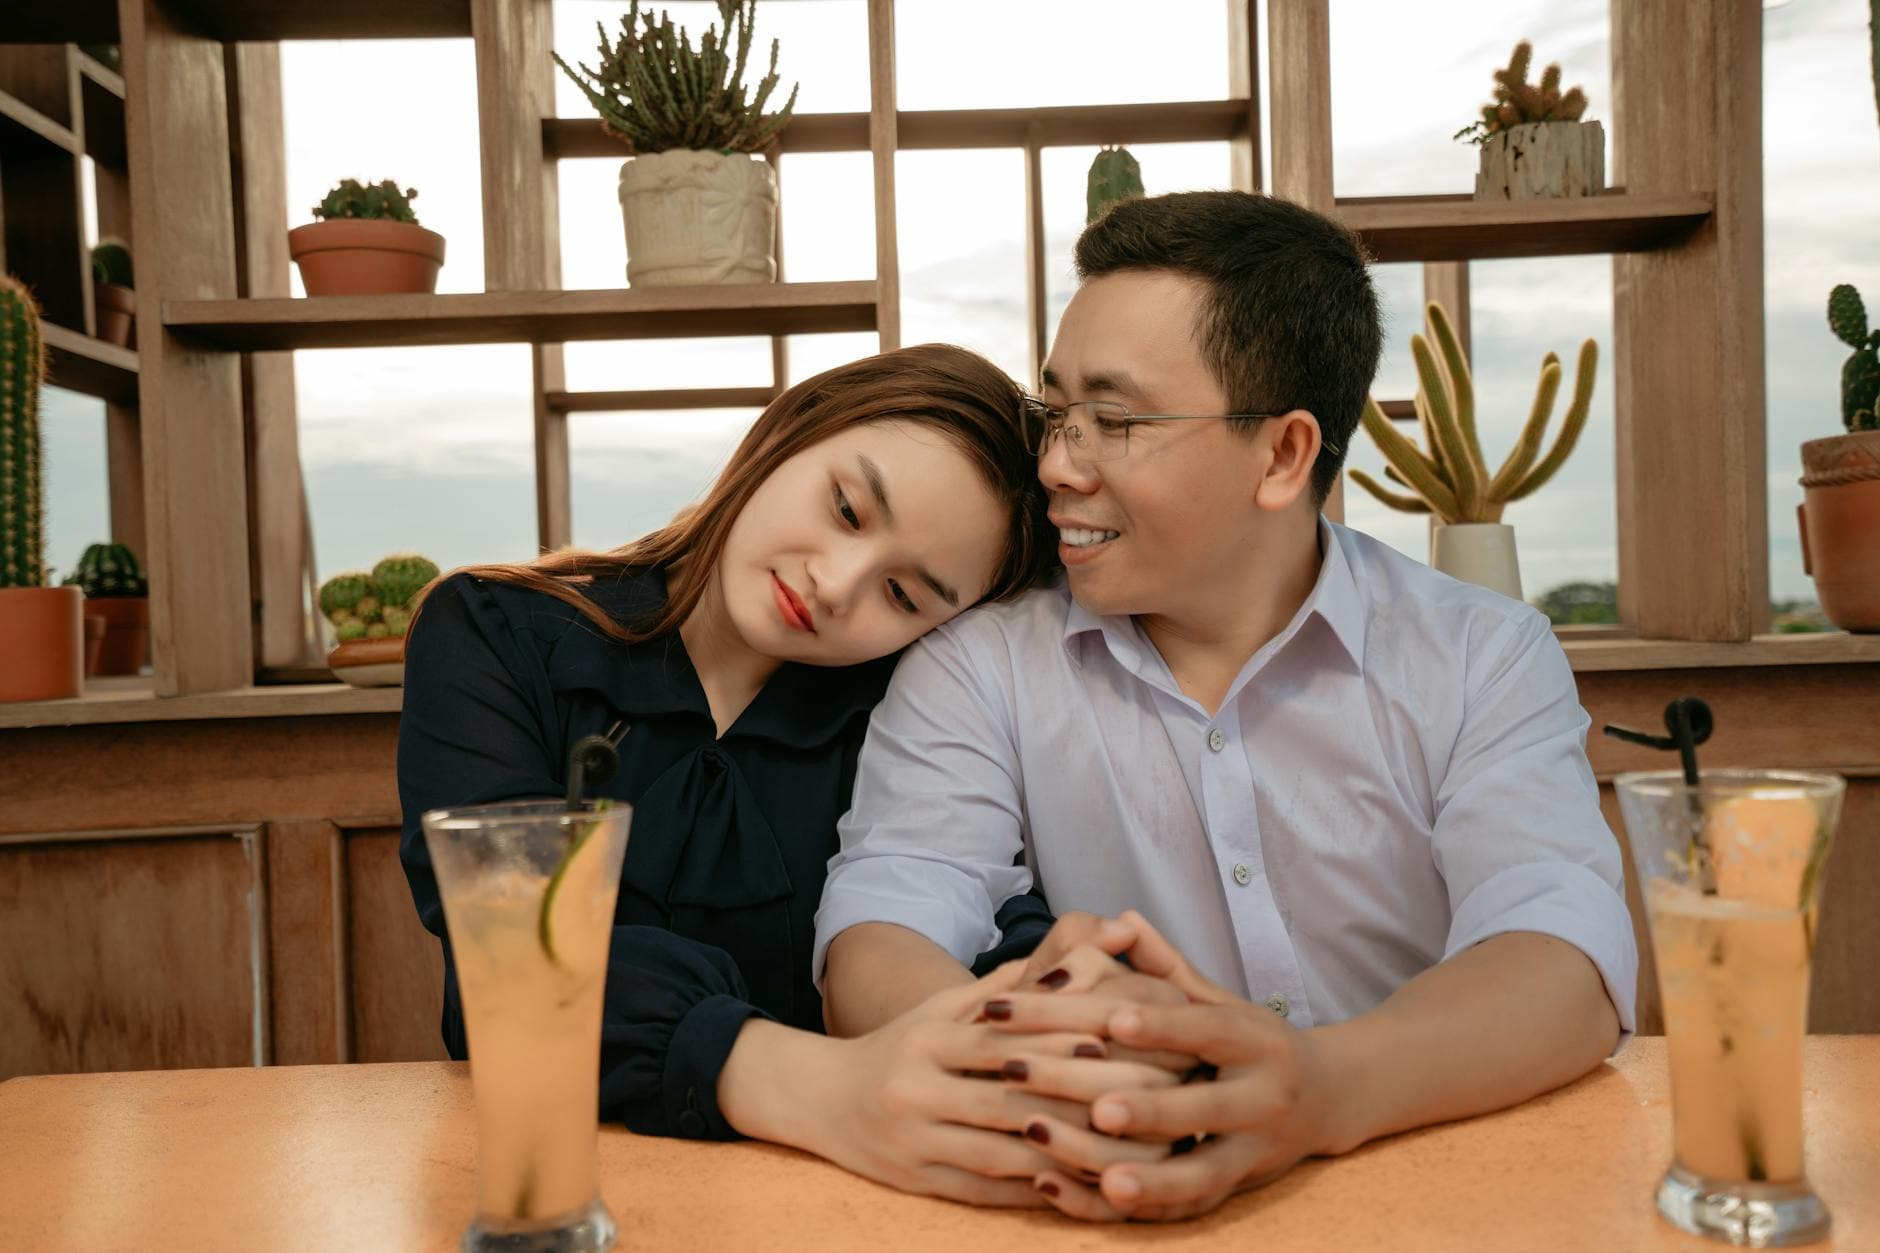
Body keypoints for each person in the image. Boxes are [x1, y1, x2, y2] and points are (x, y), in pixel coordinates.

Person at [815, 191, 1640, 1221]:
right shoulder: (978, 665)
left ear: (1284, 454)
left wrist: (1319, 1086)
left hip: (1442, 1193)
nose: (1055, 464)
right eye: (1055, 410)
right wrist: (1050, 1073)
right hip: (1105, 1194)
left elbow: (1560, 956)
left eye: (1111, 421)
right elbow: (879, 926)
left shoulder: (1480, 653)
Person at [399, 344, 1168, 1205]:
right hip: (539, 1189)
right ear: (793, 428)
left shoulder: (908, 713)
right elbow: (508, 958)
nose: (836, 585)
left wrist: (1049, 1007)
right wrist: (816, 1086)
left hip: (819, 1204)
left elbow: (971, 905)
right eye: (846, 507)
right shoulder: (494, 634)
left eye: (906, 595)